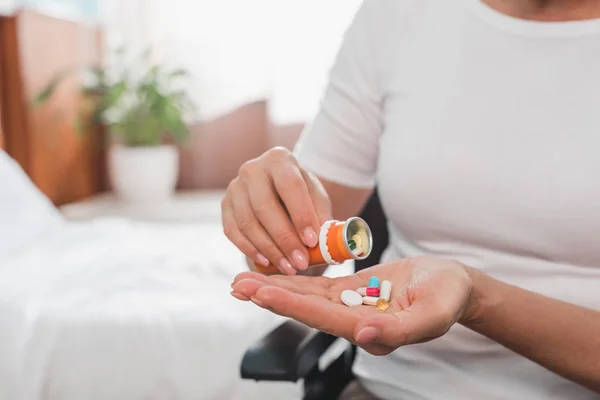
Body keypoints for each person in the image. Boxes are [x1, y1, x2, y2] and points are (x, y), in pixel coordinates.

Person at [222, 0, 600, 398]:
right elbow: (290, 267)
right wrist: (271, 219)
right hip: (392, 388)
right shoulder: (399, 13)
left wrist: (478, 298)